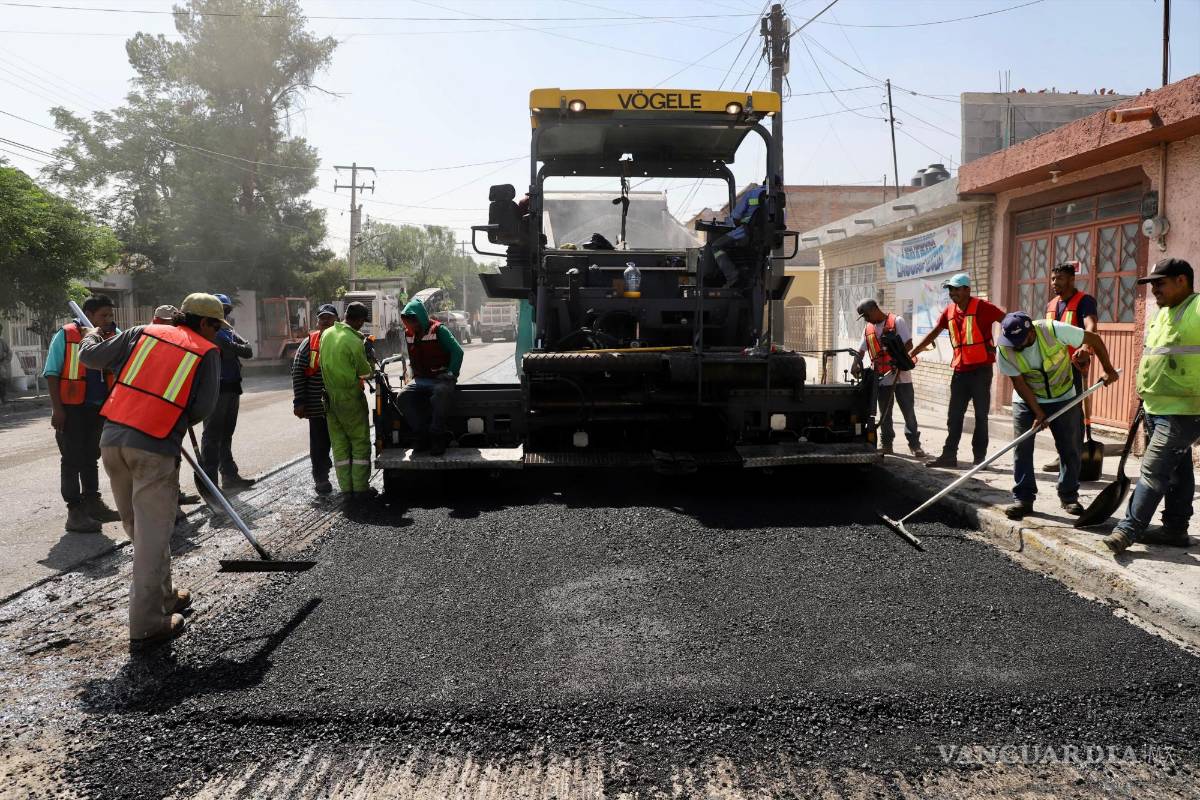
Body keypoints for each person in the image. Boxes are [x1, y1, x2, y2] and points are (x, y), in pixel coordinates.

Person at [79, 293, 222, 651]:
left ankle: (166, 597)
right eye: (216, 325)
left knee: (141, 531)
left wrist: (92, 333)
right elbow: (202, 407)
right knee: (152, 536)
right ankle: (147, 626)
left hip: (112, 440)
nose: (218, 333)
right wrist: (169, 423)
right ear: (203, 323)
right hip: (154, 448)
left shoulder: (141, 332)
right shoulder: (205, 352)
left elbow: (89, 356)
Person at [1104, 258, 1200, 553]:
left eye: (1160, 283)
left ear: (1182, 280)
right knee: (1178, 471)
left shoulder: (1197, 309)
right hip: (1155, 406)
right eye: (1152, 284)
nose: (1154, 289)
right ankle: (1174, 529)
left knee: (1153, 470)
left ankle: (1128, 529)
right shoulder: (1163, 313)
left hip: (1184, 410)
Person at [995, 311, 1119, 520]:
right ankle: (1023, 498)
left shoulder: (1053, 330)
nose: (1015, 345)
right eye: (1011, 341)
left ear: (1031, 331)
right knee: (1022, 447)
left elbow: (1093, 339)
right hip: (1027, 399)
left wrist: (1108, 369)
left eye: (1020, 340)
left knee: (1070, 448)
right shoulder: (1005, 349)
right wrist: (1038, 412)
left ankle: (1068, 496)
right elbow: (1018, 382)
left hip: (1063, 395)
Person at [909, 273, 1007, 469]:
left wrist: (1004, 348)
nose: (952, 293)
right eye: (950, 290)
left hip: (981, 371)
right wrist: (913, 352)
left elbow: (1008, 321)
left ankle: (980, 458)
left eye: (956, 289)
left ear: (967, 290)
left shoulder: (983, 307)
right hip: (960, 371)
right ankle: (949, 455)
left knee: (981, 416)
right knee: (954, 416)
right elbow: (934, 332)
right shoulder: (950, 311)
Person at [43, 294, 122, 533]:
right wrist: (58, 409)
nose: (108, 320)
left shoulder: (113, 336)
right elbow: (52, 373)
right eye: (103, 316)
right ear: (88, 316)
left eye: (110, 315)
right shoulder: (66, 335)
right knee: (72, 459)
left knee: (91, 457)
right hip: (71, 408)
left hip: (100, 408)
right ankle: (75, 512)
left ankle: (93, 503)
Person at [1042, 261, 1100, 472]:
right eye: (1053, 278)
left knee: (1074, 414)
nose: (1054, 283)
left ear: (1072, 279)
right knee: (1058, 413)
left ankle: (1072, 457)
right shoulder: (1051, 304)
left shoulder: (1084, 301)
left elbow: (1091, 326)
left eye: (1059, 278)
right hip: (1053, 370)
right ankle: (1064, 454)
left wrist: (1086, 347)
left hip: (1074, 366)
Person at [854, 299, 925, 458]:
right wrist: (855, 363)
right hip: (881, 379)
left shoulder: (897, 321)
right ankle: (887, 444)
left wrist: (897, 359)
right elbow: (861, 350)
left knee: (908, 412)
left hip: (902, 377)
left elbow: (908, 344)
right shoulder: (868, 328)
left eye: (866, 315)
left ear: (874, 309)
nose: (865, 319)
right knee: (885, 414)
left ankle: (915, 445)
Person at [199, 293, 254, 493]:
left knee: (226, 435)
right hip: (216, 388)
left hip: (232, 386)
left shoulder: (227, 331)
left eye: (226, 310)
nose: (224, 314)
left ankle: (229, 476)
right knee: (212, 436)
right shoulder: (216, 333)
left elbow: (248, 351)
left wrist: (238, 345)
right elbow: (238, 349)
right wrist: (238, 345)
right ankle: (210, 484)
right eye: (221, 310)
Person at [320, 301, 375, 499]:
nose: (362, 325)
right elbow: (365, 373)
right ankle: (360, 488)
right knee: (359, 441)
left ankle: (346, 488)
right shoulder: (353, 341)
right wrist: (369, 357)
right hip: (350, 398)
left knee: (340, 443)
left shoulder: (326, 334)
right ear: (358, 320)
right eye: (362, 322)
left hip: (329, 398)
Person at [398, 297, 464, 456]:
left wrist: (451, 373)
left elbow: (458, 351)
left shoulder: (439, 330)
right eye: (407, 322)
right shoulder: (409, 334)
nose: (410, 325)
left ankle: (437, 436)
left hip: (442, 378)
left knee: (441, 393)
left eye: (413, 321)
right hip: (421, 380)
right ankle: (421, 434)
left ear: (420, 317)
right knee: (403, 397)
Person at [292, 303, 339, 495]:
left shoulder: (341, 340)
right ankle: (321, 478)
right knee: (319, 443)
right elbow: (297, 371)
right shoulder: (309, 343)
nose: (326, 321)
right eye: (323, 318)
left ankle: (344, 477)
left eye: (330, 318)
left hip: (339, 405)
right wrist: (299, 401)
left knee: (338, 442)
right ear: (318, 322)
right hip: (317, 406)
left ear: (337, 320)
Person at [707, 183, 767, 288]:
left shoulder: (752, 193)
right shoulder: (780, 199)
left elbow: (735, 216)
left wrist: (739, 224)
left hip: (746, 232)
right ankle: (757, 277)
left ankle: (732, 276)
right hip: (767, 237)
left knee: (716, 246)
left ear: (763, 183)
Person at [0, 322, 11, 404]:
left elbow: (9, 353)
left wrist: (5, 361)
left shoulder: (2, 342)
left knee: (3, 381)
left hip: (1, 364)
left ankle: (3, 398)